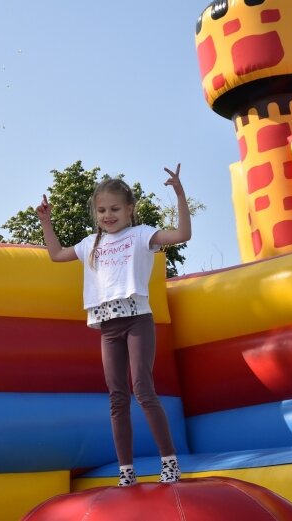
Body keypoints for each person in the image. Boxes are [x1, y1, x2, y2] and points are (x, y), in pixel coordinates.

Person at [36, 164, 190, 487]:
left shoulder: (140, 235)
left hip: (137, 321)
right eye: (102, 210)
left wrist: (179, 194)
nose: (108, 215)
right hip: (108, 326)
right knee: (117, 397)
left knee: (143, 389)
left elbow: (182, 235)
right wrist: (46, 222)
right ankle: (126, 471)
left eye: (115, 209)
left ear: (130, 210)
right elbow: (55, 254)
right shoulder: (91, 243)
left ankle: (170, 463)